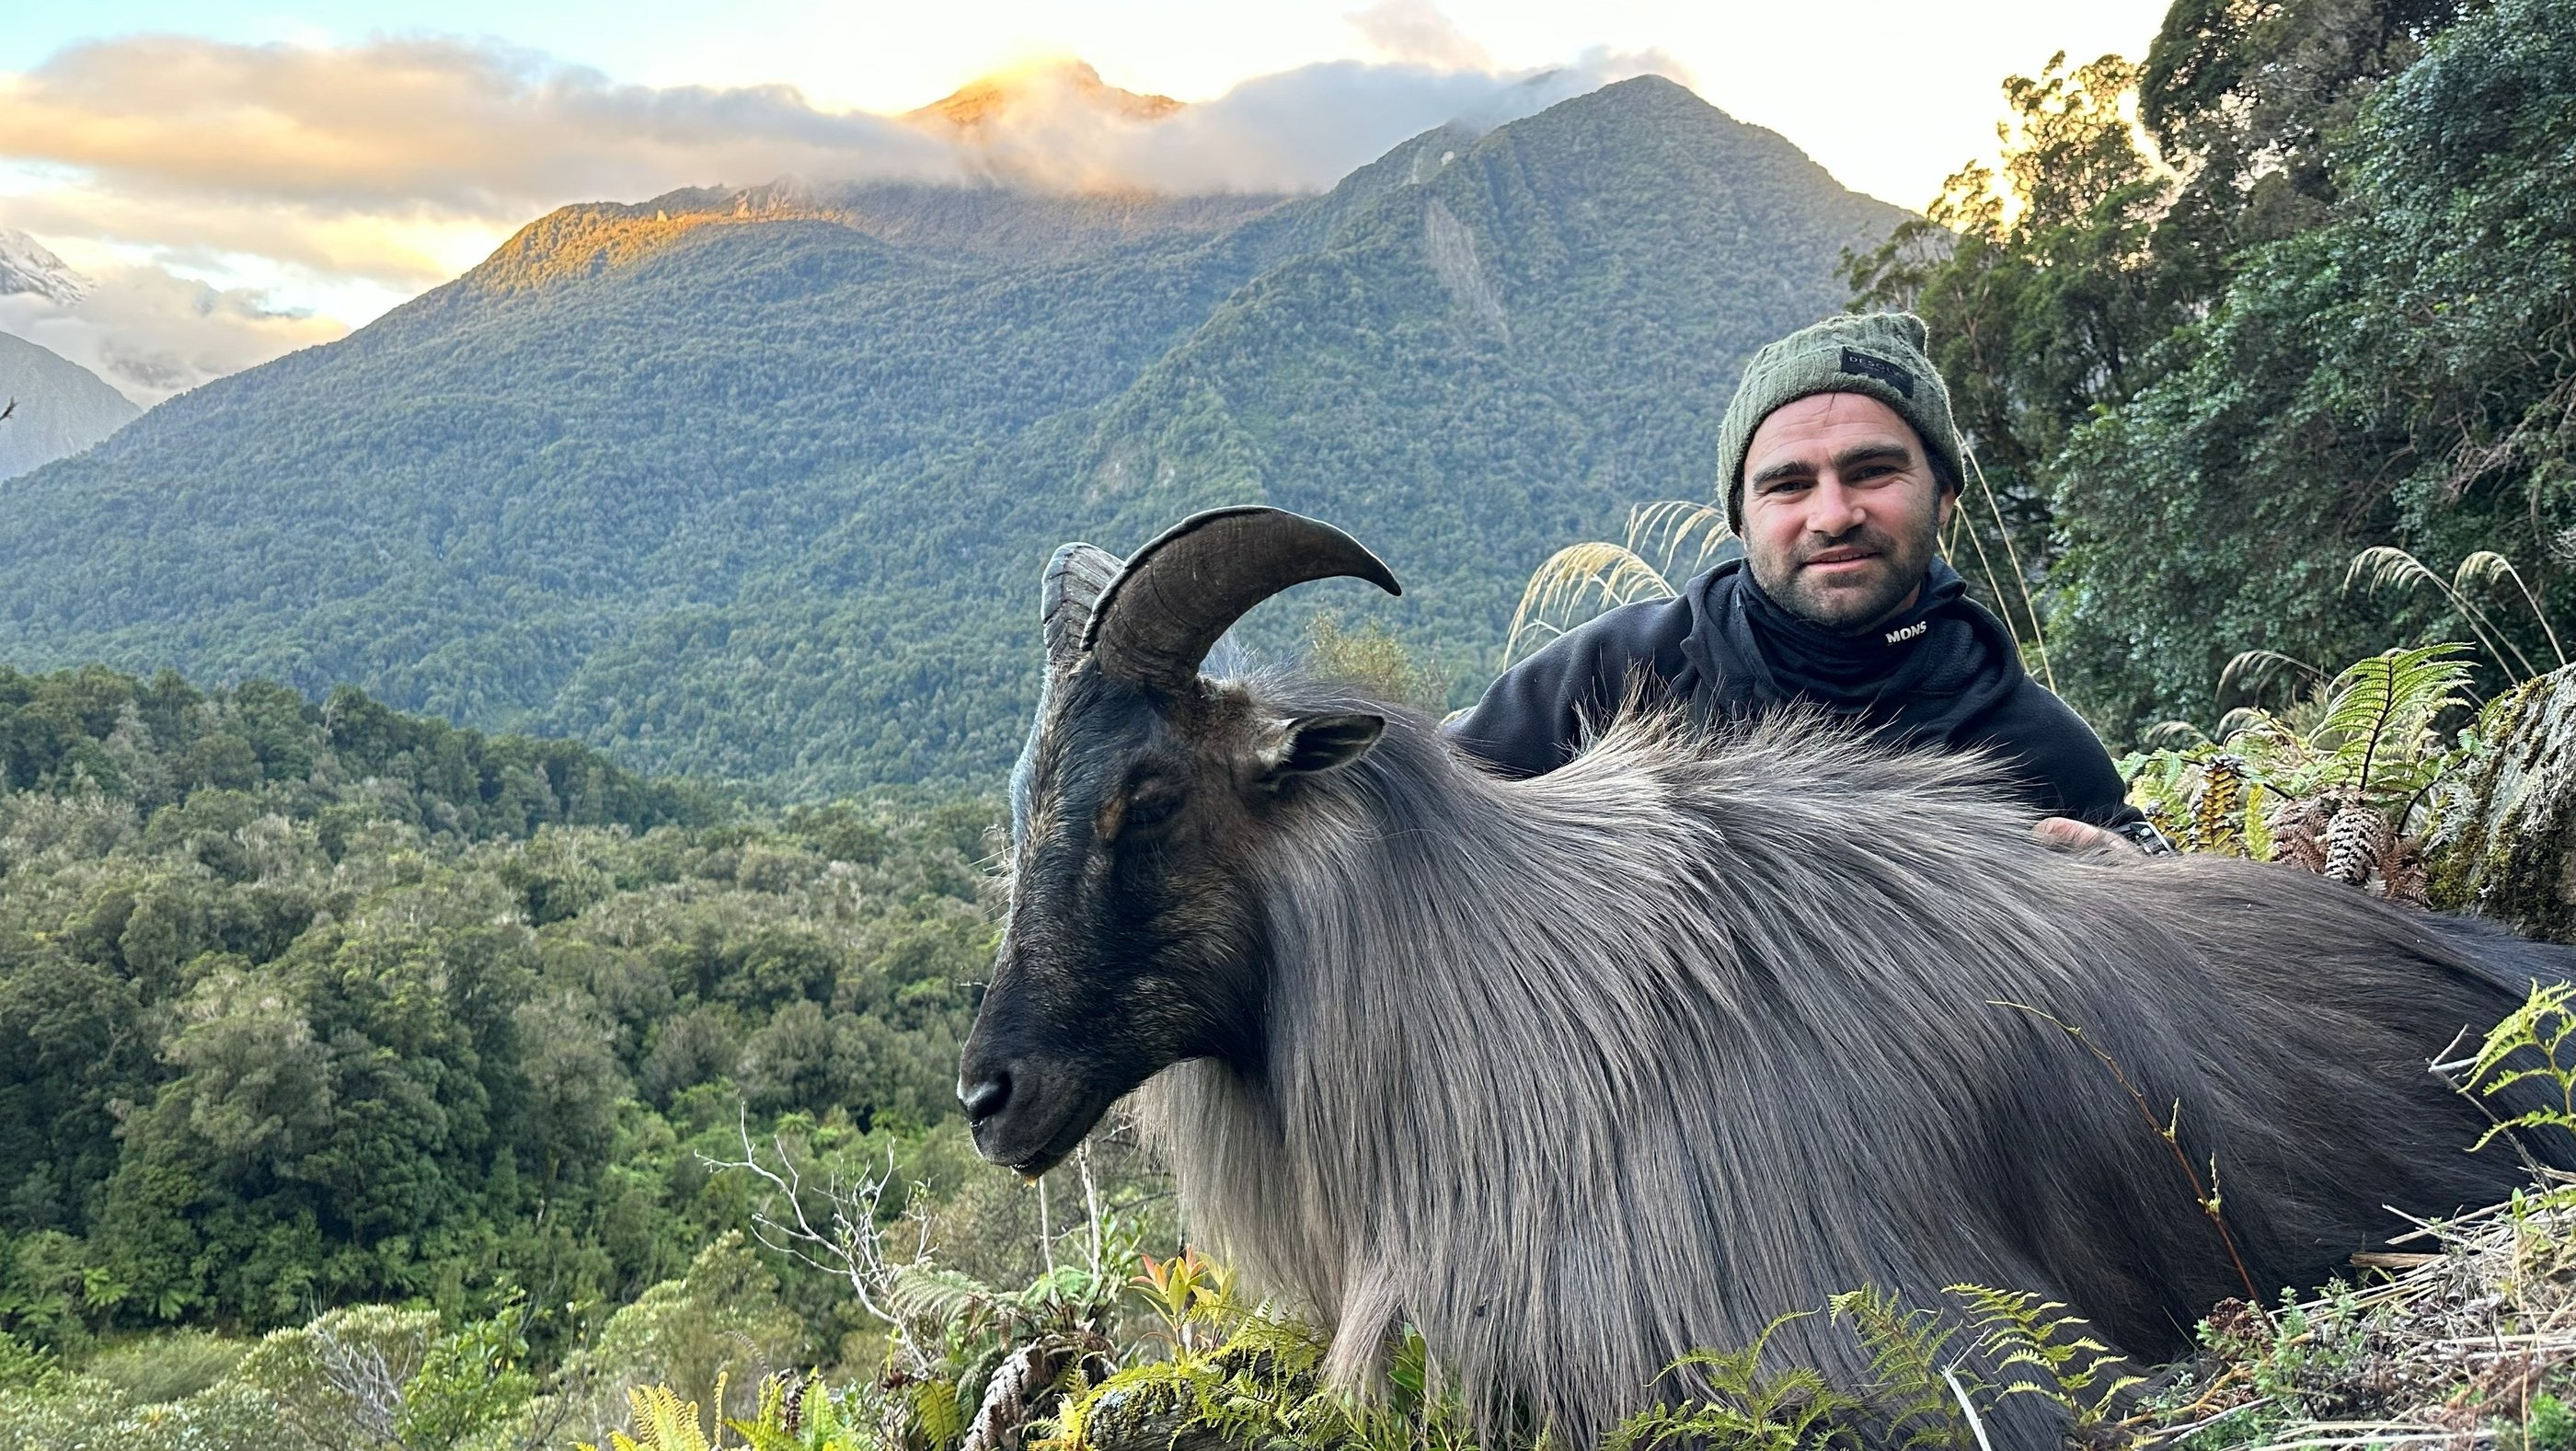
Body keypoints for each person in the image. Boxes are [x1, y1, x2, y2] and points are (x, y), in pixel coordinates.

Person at [1446, 311, 2164, 852]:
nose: (1833, 514)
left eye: (1872, 471)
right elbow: (1430, 803)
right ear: (1740, 519)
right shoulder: (1611, 677)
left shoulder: (2032, 744)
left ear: (1944, 493)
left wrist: (2134, 885)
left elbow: (2162, 914)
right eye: (1789, 484)